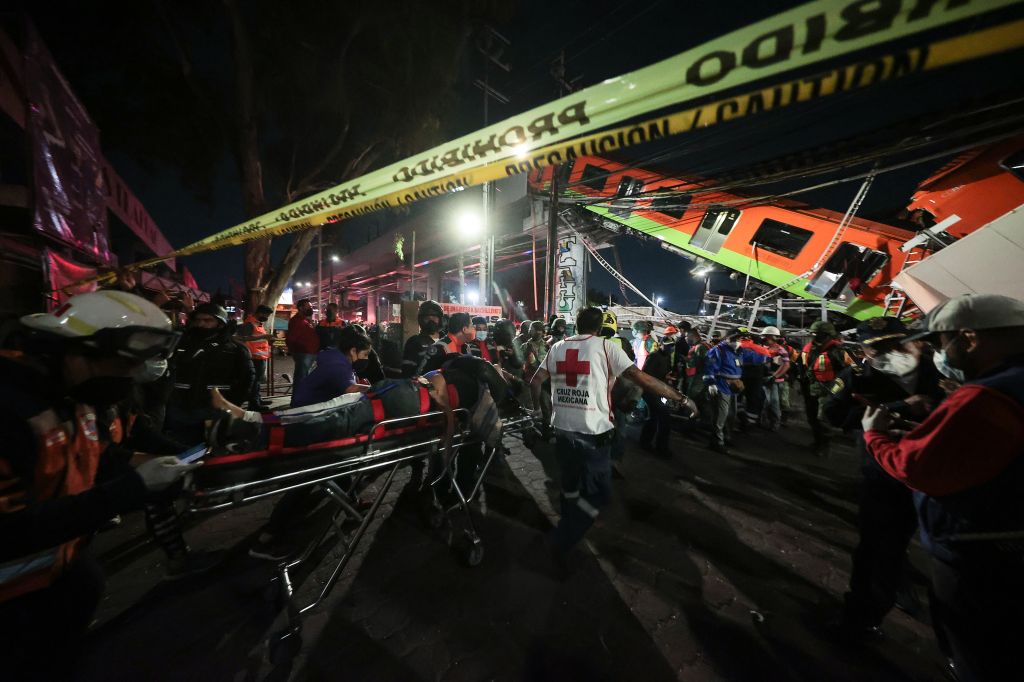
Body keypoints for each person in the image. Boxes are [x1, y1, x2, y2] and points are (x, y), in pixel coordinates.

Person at [0, 291, 200, 676]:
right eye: (122, 365)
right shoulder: (8, 411)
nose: (128, 378)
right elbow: (10, 531)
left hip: (56, 575)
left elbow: (95, 453)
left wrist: (154, 466)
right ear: (72, 350)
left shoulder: (69, 395)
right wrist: (129, 490)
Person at [861, 294, 1024, 681]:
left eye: (939, 341)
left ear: (969, 338)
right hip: (1004, 533)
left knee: (980, 654)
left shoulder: (985, 395)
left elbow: (917, 467)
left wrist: (875, 437)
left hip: (979, 544)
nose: (939, 351)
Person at [820, 316, 944, 641]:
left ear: (915, 341)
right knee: (877, 550)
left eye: (894, 343)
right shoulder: (857, 377)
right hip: (885, 476)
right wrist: (896, 408)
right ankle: (862, 619)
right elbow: (830, 413)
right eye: (876, 348)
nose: (889, 353)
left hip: (943, 474)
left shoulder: (945, 371)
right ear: (863, 350)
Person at [530, 307, 683, 559]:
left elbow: (536, 381)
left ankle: (568, 516)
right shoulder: (606, 347)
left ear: (576, 325)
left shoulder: (558, 347)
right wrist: (680, 397)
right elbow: (639, 377)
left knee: (569, 483)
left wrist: (538, 410)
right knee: (599, 494)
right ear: (599, 327)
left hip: (562, 429)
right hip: (593, 434)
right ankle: (564, 536)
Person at [165, 303, 254, 445]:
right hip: (180, 408)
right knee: (180, 449)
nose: (201, 324)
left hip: (214, 410)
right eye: (198, 320)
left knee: (213, 449)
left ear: (220, 323)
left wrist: (232, 404)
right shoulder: (180, 343)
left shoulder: (235, 349)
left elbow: (247, 378)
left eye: (208, 320)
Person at [801, 320, 854, 457]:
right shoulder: (808, 349)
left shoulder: (838, 351)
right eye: (814, 334)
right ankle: (818, 441)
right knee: (812, 417)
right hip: (812, 389)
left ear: (828, 336)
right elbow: (803, 368)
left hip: (829, 390)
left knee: (823, 419)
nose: (816, 337)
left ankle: (825, 446)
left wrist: (840, 390)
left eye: (820, 335)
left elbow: (850, 371)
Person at [292, 327, 372, 408]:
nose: (366, 359)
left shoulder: (335, 356)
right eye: (365, 354)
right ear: (353, 351)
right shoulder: (338, 365)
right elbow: (351, 390)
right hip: (308, 410)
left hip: (306, 404)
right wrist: (376, 389)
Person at [704, 330, 744, 455]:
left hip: (734, 387)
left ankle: (727, 437)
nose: (737, 342)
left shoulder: (738, 351)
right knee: (721, 416)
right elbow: (709, 366)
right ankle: (717, 442)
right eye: (734, 339)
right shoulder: (718, 350)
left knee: (731, 414)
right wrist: (711, 383)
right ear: (727, 339)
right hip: (721, 385)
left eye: (738, 339)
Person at [638, 340, 679, 458]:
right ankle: (659, 447)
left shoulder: (667, 357)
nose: (670, 349)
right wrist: (663, 377)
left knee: (655, 418)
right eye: (667, 346)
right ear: (661, 345)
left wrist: (669, 377)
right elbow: (646, 374)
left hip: (660, 391)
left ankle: (647, 443)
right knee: (661, 418)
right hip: (651, 391)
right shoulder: (654, 356)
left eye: (671, 347)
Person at [236, 304, 275, 409]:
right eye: (266, 315)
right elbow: (243, 338)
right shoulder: (249, 324)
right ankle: (254, 404)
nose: (267, 318)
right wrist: (264, 336)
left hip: (259, 357)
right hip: (253, 357)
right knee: (254, 382)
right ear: (260, 313)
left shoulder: (258, 324)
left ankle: (257, 399)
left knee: (257, 381)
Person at [401, 300, 444, 378]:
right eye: (427, 318)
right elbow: (407, 372)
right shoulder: (414, 342)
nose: (431, 321)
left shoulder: (447, 339)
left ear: (440, 319)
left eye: (434, 317)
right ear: (421, 320)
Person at [761, 326, 791, 430]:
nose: (765, 339)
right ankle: (765, 421)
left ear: (773, 337)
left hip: (776, 380)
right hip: (767, 380)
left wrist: (774, 377)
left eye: (767, 337)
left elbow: (786, 365)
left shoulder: (781, 350)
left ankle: (775, 423)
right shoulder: (763, 348)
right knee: (767, 402)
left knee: (774, 402)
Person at [286, 298, 319, 388]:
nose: (311, 309)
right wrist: (296, 351)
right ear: (301, 308)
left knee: (304, 377)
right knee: (301, 378)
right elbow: (291, 338)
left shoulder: (305, 320)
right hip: (303, 353)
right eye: (308, 306)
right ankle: (298, 400)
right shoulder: (296, 321)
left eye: (311, 307)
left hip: (308, 353)